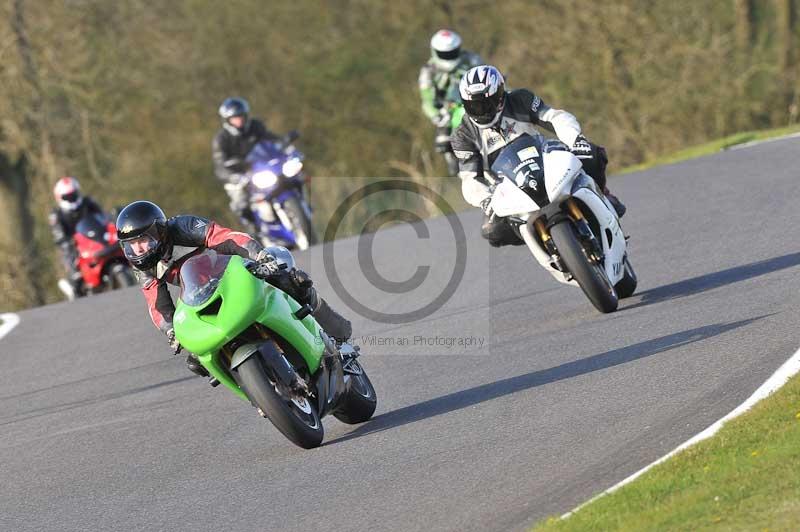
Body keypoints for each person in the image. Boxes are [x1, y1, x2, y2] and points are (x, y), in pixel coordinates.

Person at [116, 200, 351, 377]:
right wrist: (171, 331)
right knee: (197, 358)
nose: (138, 250)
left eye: (143, 240)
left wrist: (259, 256)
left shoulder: (183, 227)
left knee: (289, 277)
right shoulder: (144, 267)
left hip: (233, 271)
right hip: (200, 294)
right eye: (131, 245)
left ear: (159, 231)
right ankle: (257, 389)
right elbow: (157, 303)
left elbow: (227, 238)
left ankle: (333, 332)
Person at [451, 65, 626, 247]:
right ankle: (546, 244)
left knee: (591, 154)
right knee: (493, 232)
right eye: (473, 105)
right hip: (506, 186)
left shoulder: (520, 99)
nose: (481, 111)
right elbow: (469, 179)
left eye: (485, 104)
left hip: (544, 160)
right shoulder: (463, 135)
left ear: (500, 96)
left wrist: (576, 140)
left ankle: (602, 194)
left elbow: (556, 118)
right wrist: (485, 199)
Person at [212, 97, 283, 233]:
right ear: (227, 120)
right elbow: (220, 165)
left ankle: (302, 209)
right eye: (234, 118)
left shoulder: (255, 126)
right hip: (239, 175)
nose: (239, 120)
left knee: (290, 177)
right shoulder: (221, 139)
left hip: (261, 168)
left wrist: (284, 144)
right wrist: (233, 177)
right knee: (241, 203)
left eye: (240, 116)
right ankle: (255, 233)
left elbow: (270, 139)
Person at [418, 29, 483, 176]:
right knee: (444, 143)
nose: (449, 56)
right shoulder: (428, 71)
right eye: (445, 53)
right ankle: (461, 167)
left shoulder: (471, 60)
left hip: (475, 103)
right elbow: (427, 100)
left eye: (452, 52)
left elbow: (488, 75)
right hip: (447, 112)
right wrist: (438, 115)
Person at [48, 177, 108, 298]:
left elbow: (103, 217)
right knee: (67, 252)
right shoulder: (57, 214)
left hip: (94, 239)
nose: (71, 198)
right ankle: (75, 281)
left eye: (73, 195)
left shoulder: (88, 202)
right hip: (75, 245)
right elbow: (59, 235)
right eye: (67, 197)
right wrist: (67, 241)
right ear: (60, 197)